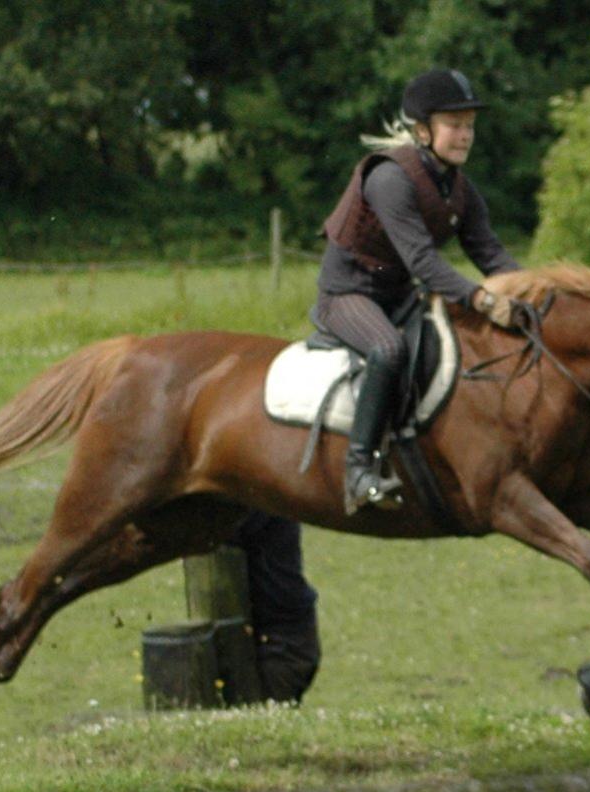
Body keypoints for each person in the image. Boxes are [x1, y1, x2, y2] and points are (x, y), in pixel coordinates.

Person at [316, 68, 524, 514]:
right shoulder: (390, 178)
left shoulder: (460, 189)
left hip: (397, 295)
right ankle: (358, 471)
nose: (465, 135)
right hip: (348, 295)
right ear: (423, 130)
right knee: (389, 350)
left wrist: (535, 293)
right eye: (455, 125)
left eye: (470, 125)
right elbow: (424, 264)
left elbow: (491, 255)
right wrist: (483, 299)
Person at [225, 511, 321, 703]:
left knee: (257, 723)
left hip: (281, 643)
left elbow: (220, 532)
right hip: (280, 639)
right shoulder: (264, 498)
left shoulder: (260, 504)